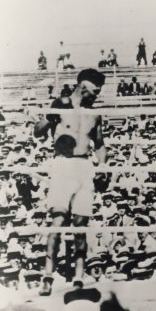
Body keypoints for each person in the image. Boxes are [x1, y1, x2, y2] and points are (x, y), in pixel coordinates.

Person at [32, 68, 108, 295]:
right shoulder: (60, 104)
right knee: (57, 221)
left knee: (80, 225)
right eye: (96, 89)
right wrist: (52, 115)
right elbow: (37, 132)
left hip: (85, 166)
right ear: (84, 85)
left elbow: (100, 144)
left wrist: (103, 166)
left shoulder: (94, 115)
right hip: (63, 165)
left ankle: (78, 277)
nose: (97, 94)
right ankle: (47, 275)